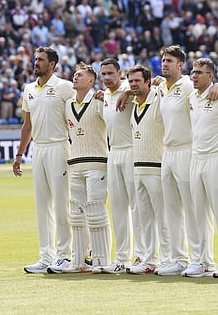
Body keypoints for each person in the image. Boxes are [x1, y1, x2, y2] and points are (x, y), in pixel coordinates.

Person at [154, 45, 218, 276]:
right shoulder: (161, 87)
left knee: (194, 209)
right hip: (168, 151)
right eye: (163, 60)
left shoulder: (187, 85)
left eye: (170, 61)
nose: (165, 64)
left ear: (180, 65)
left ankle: (202, 259)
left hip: (188, 150)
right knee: (171, 209)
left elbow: (209, 90)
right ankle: (179, 258)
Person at [13, 46, 74, 274]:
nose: (36, 63)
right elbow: (27, 125)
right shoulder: (29, 89)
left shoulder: (64, 87)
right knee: (42, 205)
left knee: (61, 204)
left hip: (59, 146)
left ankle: (65, 255)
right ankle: (45, 256)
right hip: (38, 149)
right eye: (35, 59)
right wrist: (19, 155)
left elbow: (81, 109)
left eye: (41, 60)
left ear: (53, 64)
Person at [182, 58, 218, 277]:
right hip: (196, 158)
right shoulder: (191, 97)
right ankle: (202, 261)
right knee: (197, 213)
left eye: (200, 73)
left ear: (211, 76)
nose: (194, 76)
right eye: (193, 72)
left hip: (216, 157)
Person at [62, 62, 112, 273]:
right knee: (75, 213)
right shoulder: (68, 104)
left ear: (91, 81)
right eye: (75, 74)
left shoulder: (100, 100)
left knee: (96, 211)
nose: (75, 77)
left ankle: (101, 261)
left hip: (97, 163)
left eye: (80, 75)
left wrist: (107, 96)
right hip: (76, 163)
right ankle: (78, 261)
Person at [96, 58, 144, 274]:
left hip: (132, 150)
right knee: (118, 208)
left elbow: (149, 88)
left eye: (110, 73)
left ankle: (142, 256)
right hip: (113, 152)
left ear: (120, 72)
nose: (106, 78)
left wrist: (127, 93)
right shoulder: (104, 95)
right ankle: (121, 258)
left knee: (138, 206)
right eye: (103, 74)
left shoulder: (129, 87)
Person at [125, 64, 172, 275]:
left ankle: (170, 259)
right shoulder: (134, 103)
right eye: (131, 81)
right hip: (138, 167)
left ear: (147, 81)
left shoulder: (159, 99)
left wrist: (162, 82)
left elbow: (177, 88)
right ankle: (149, 259)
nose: (134, 84)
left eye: (137, 81)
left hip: (157, 166)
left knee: (164, 217)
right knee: (144, 218)